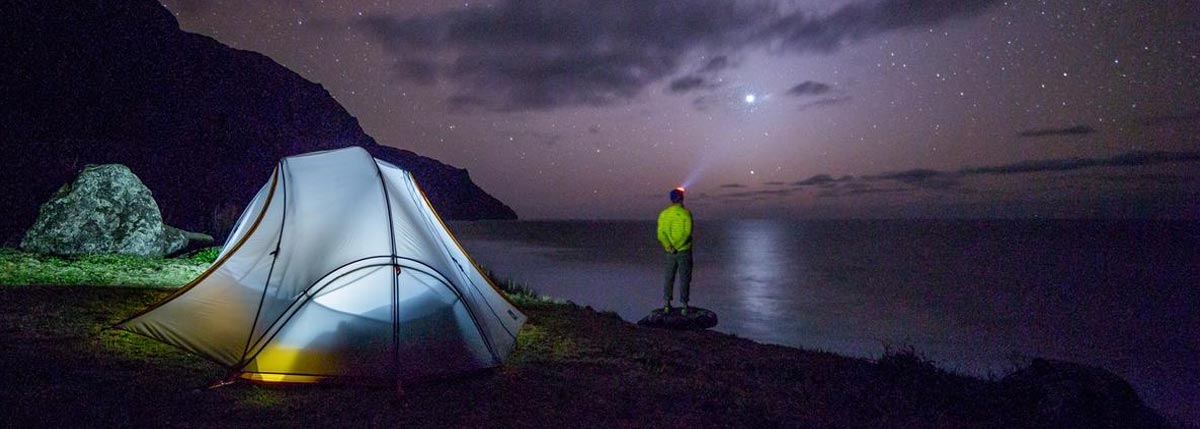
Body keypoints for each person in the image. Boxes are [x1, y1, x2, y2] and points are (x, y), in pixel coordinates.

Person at [657, 187, 693, 315]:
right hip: (683, 251)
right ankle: (684, 306)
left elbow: (661, 233)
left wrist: (669, 247)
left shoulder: (664, 214)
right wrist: (677, 247)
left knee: (669, 277)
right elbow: (687, 233)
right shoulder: (686, 213)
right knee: (685, 278)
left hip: (669, 252)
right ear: (681, 199)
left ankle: (667, 304)